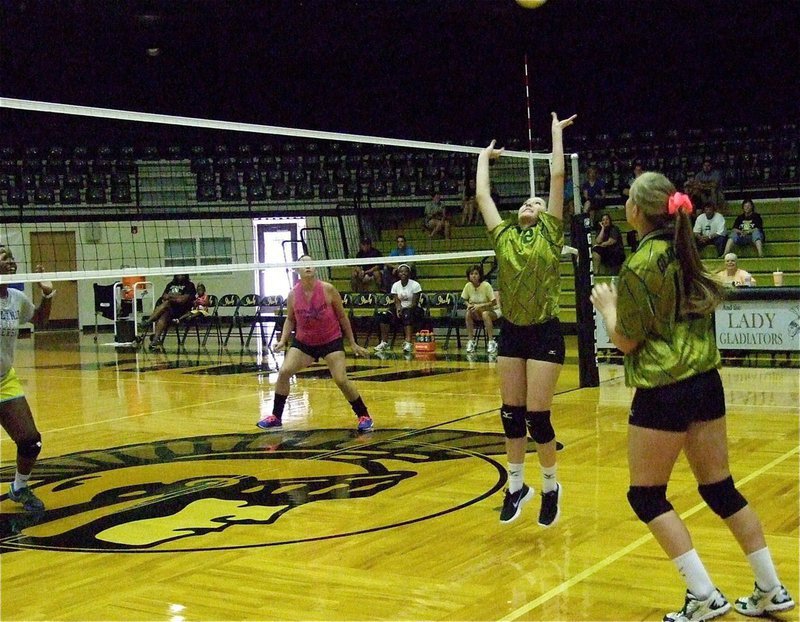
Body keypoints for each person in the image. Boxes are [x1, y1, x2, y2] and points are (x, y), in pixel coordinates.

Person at [590, 172, 794, 622]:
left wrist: (607, 308)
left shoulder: (642, 264)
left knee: (646, 497)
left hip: (664, 389)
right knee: (720, 489)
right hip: (706, 383)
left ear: (637, 211)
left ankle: (703, 595)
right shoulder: (687, 253)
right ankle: (771, 589)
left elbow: (626, 341)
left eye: (628, 198)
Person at [476, 111, 576, 527]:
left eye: (535, 203)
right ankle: (515, 486)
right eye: (525, 202)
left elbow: (555, 179)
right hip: (513, 332)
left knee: (538, 418)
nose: (529, 205)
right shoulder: (504, 237)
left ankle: (551, 486)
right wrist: (484, 157)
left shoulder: (552, 233)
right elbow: (484, 198)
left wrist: (555, 136)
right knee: (510, 415)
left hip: (545, 332)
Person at [256, 255, 373, 432]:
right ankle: (276, 417)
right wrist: (283, 340)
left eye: (310, 264)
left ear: (316, 268)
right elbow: (289, 320)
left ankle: (363, 415)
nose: (307, 267)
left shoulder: (328, 289)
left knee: (341, 379)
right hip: (305, 343)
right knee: (284, 372)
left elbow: (342, 316)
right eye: (303, 265)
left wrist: (353, 343)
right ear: (297, 270)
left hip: (331, 340)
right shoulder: (293, 294)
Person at [0, 246, 53, 513]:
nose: (11, 262)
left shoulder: (16, 298)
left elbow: (40, 320)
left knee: (31, 440)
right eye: (4, 257)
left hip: (3, 381)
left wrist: (47, 294)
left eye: (12, 258)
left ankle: (19, 487)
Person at [374, 264, 423, 354]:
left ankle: (408, 342)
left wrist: (404, 309)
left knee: (407, 314)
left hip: (414, 310)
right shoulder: (395, 285)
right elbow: (396, 301)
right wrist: (398, 308)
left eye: (405, 271)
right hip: (401, 308)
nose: (403, 273)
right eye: (401, 271)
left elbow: (414, 303)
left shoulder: (415, 285)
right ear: (398, 274)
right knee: (383, 315)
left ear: (409, 273)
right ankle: (384, 342)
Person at [141, 274, 196, 349]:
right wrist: (176, 296)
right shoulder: (170, 284)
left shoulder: (190, 285)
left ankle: (149, 321)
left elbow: (182, 300)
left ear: (185, 275)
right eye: (178, 275)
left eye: (182, 275)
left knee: (167, 303)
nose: (180, 276)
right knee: (164, 314)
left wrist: (170, 297)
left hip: (182, 310)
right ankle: (155, 341)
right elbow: (164, 296)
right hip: (170, 309)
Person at [460, 264, 501, 355]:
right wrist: (468, 305)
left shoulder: (486, 286)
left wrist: (480, 306)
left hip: (492, 311)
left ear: (480, 275)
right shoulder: (468, 286)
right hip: (478, 312)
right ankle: (471, 341)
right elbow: (464, 299)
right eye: (471, 274)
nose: (473, 276)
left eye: (476, 273)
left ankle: (491, 342)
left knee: (485, 314)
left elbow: (494, 302)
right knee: (468, 313)